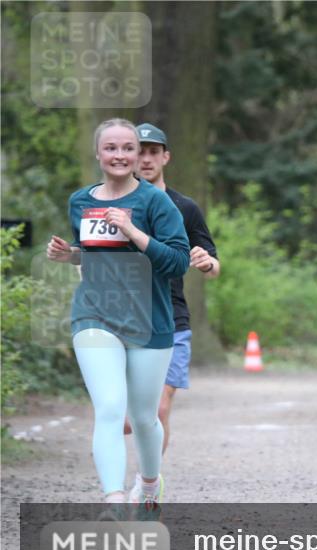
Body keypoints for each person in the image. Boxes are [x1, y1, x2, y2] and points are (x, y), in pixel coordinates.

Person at [46, 118, 190, 509]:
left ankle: (148, 480)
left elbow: (177, 262)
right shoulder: (81, 200)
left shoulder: (155, 202)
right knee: (109, 407)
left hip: (149, 320)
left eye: (129, 148)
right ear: (99, 153)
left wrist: (134, 231)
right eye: (112, 148)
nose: (121, 155)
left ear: (138, 155)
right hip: (95, 314)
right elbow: (94, 252)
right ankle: (113, 499)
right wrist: (70, 255)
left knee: (144, 417)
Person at [121, 122, 221, 502]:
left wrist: (205, 261)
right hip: (124, 321)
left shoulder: (185, 208)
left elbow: (214, 264)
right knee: (129, 418)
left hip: (172, 320)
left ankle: (147, 482)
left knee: (159, 406)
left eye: (152, 152)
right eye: (139, 151)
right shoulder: (116, 204)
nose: (145, 159)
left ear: (165, 157)